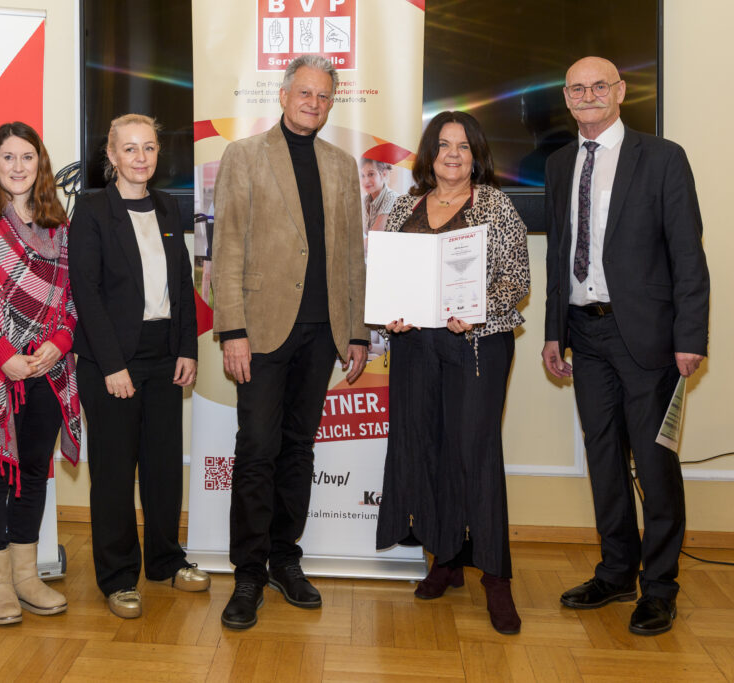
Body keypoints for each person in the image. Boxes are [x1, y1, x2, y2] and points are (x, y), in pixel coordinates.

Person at [541, 57, 709, 636]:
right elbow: (558, 254)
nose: (588, 95)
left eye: (599, 86)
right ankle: (616, 572)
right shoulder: (561, 163)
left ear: (620, 92)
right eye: (577, 88)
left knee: (654, 465)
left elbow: (688, 255)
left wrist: (690, 337)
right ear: (566, 98)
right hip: (584, 335)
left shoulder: (662, 158)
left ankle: (659, 588)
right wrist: (552, 331)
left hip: (648, 339)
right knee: (604, 460)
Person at [212, 55, 369, 630]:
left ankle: (285, 559)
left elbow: (352, 254)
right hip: (260, 331)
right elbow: (226, 247)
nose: (313, 103)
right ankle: (248, 573)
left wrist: (355, 331)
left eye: (324, 97)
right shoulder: (244, 156)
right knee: (257, 450)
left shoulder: (341, 165)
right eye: (304, 93)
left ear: (331, 104)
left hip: (321, 334)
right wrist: (231, 329)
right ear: (282, 96)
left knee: (298, 449)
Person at [376, 111, 530, 635]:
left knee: (476, 454)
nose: (453, 154)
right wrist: (391, 313)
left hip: (477, 347)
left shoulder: (496, 205)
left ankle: (495, 577)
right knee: (428, 448)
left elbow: (517, 278)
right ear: (429, 153)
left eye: (463, 146)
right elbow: (388, 275)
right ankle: (444, 558)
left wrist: (480, 307)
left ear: (476, 154)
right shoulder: (403, 208)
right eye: (443, 145)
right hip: (416, 349)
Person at [70, 114, 208, 619]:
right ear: (111, 156)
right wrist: (112, 364)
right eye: (130, 149)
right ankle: (118, 576)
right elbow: (86, 292)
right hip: (111, 362)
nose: (141, 158)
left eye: (149, 148)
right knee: (112, 471)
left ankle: (167, 562)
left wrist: (187, 349)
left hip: (163, 356)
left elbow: (181, 287)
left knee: (163, 468)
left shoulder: (170, 207)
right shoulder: (90, 211)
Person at [0, 122, 81, 626]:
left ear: (40, 164)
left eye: (28, 157)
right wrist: (6, 354)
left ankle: (27, 575)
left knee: (32, 471)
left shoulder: (57, 223)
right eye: (9, 158)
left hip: (49, 368)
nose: (19, 167)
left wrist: (58, 345)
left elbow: (72, 299)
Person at [360, 158, 398, 234]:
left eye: (371, 174)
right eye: (362, 175)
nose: (366, 181)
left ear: (384, 174)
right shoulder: (364, 200)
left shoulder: (392, 197)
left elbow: (375, 237)